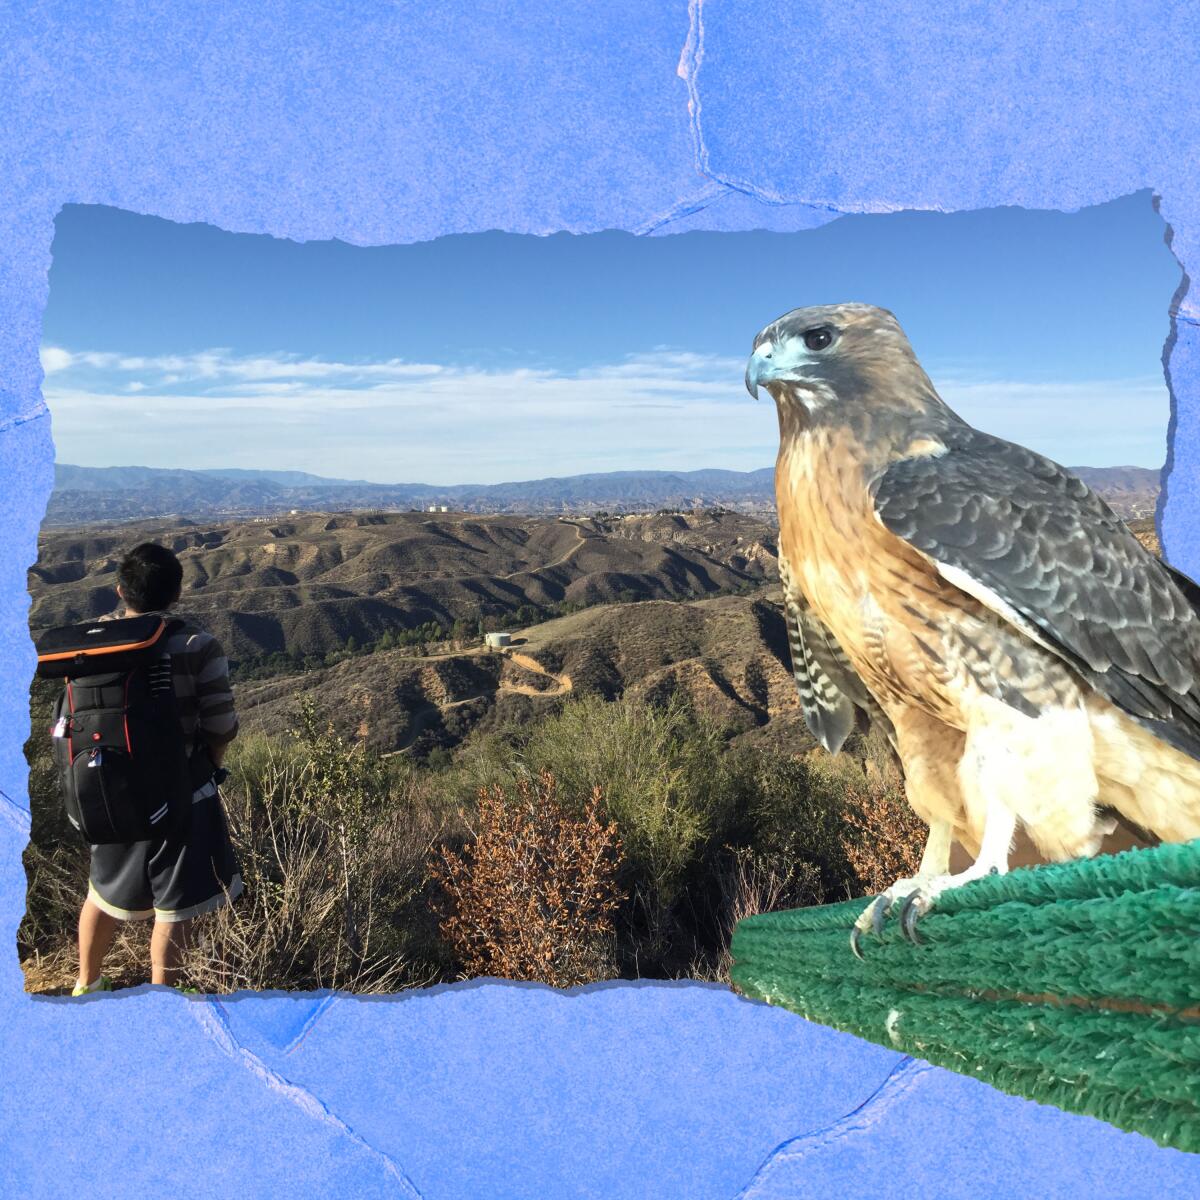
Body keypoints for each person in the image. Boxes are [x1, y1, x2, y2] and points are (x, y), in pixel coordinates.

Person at [73, 542, 242, 994]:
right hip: (180, 794)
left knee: (103, 893)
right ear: (178, 593)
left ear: (119, 590)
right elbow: (222, 727)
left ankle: (86, 983)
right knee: (177, 911)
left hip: (105, 788)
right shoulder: (197, 646)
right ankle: (162, 1003)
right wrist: (207, 768)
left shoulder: (90, 643)